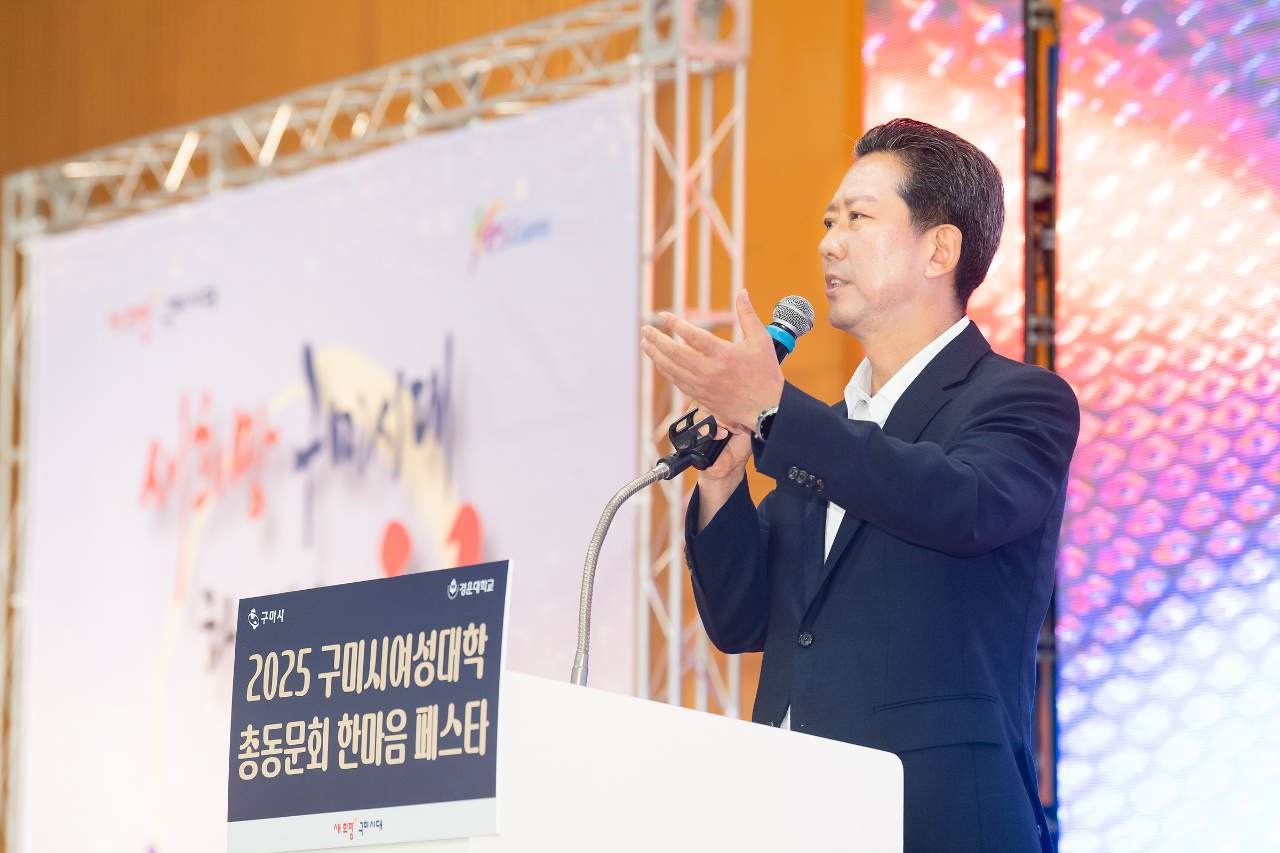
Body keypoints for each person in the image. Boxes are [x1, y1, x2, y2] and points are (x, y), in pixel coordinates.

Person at [640, 118, 1079, 852]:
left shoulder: (1020, 400)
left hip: (936, 818)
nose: (828, 243)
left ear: (940, 250)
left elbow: (959, 505)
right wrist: (722, 484)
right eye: (827, 221)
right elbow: (744, 620)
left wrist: (776, 411)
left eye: (857, 218)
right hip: (798, 816)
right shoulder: (831, 431)